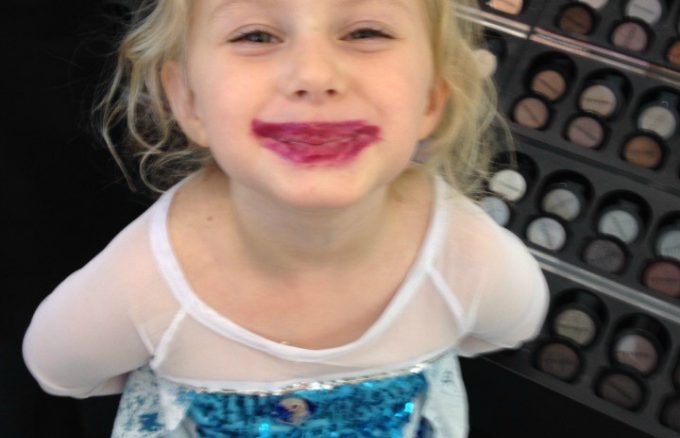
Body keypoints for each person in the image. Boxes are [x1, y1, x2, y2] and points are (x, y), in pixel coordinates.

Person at [22, 0, 549, 436]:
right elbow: (61, 372)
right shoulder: (139, 286)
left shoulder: (470, 260)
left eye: (365, 32)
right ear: (188, 100)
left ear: (432, 97)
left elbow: (509, 326)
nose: (314, 76)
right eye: (256, 36)